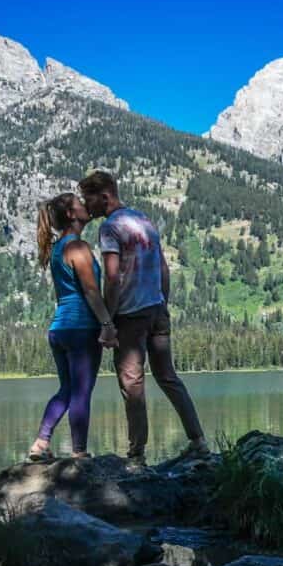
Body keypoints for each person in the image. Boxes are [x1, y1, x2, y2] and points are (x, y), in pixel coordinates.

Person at [78, 170, 208, 467]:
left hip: (130, 314)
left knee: (132, 383)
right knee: (168, 377)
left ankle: (137, 456)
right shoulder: (145, 221)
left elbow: (112, 278)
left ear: (105, 196)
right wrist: (163, 303)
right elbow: (163, 268)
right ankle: (199, 442)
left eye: (90, 200)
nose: (89, 208)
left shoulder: (110, 228)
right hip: (157, 309)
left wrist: (108, 323)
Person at [29, 193, 117, 461]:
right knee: (81, 392)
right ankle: (79, 453)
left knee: (66, 389)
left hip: (59, 329)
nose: (85, 205)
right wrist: (107, 324)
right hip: (82, 329)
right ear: (70, 214)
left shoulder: (57, 249)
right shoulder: (77, 247)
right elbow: (91, 291)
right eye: (80, 203)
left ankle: (41, 444)